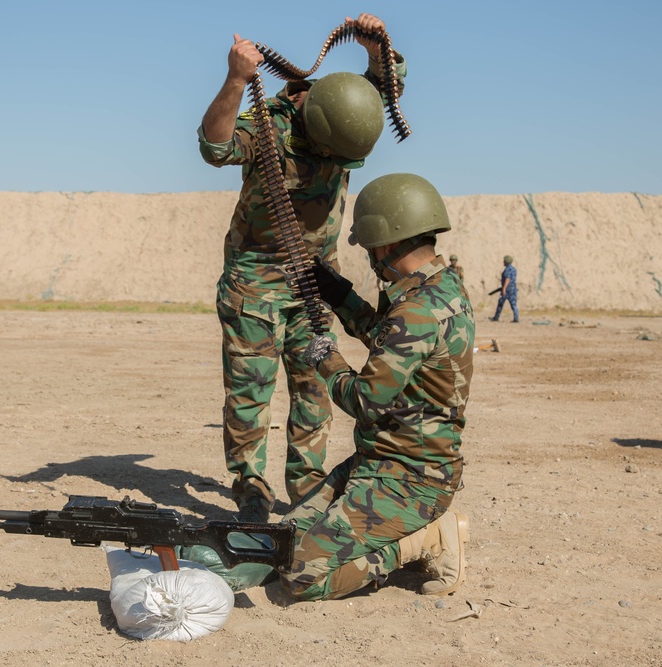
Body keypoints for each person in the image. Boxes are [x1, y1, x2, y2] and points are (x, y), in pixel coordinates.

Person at [185, 173, 475, 600]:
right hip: (380, 462)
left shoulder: (416, 311)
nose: (372, 256)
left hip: (410, 481)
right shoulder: (440, 289)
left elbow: (364, 400)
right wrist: (341, 296)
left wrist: (326, 358)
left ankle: (425, 538)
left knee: (302, 575)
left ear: (389, 241)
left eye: (373, 246)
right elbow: (390, 337)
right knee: (285, 536)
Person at [198, 14, 406, 523]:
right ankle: (249, 482)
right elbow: (214, 146)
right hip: (255, 281)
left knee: (314, 387)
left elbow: (385, 90)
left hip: (315, 281)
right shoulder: (272, 124)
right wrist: (234, 79)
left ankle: (307, 480)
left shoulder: (346, 110)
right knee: (251, 390)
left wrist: (376, 50)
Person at [490, 255, 519, 322]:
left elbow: (507, 279)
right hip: (513, 288)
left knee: (500, 302)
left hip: (507, 289)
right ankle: (516, 317)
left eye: (504, 261)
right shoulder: (514, 269)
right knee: (513, 303)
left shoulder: (507, 270)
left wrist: (504, 288)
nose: (503, 262)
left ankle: (496, 317)